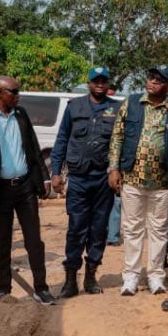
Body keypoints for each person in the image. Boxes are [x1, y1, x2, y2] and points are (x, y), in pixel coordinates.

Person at [0, 76, 55, 304]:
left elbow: (34, 148)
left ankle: (41, 288)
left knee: (34, 241)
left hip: (25, 187)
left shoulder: (21, 115)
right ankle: (3, 287)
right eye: (14, 92)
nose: (18, 96)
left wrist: (43, 179)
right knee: (3, 241)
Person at [51, 66, 122, 298]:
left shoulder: (116, 108)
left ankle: (91, 276)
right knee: (76, 229)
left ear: (107, 84)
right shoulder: (75, 107)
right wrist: (56, 172)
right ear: (89, 83)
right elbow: (62, 140)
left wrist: (117, 171)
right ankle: (70, 279)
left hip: (103, 180)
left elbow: (121, 142)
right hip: (79, 179)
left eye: (103, 81)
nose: (99, 84)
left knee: (99, 229)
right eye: (95, 81)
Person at [108, 65, 168, 296]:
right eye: (150, 77)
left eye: (158, 80)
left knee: (159, 230)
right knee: (132, 229)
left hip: (162, 183)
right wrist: (114, 168)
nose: (152, 82)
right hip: (132, 179)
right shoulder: (132, 103)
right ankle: (131, 277)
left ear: (167, 86)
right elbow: (117, 135)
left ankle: (156, 277)